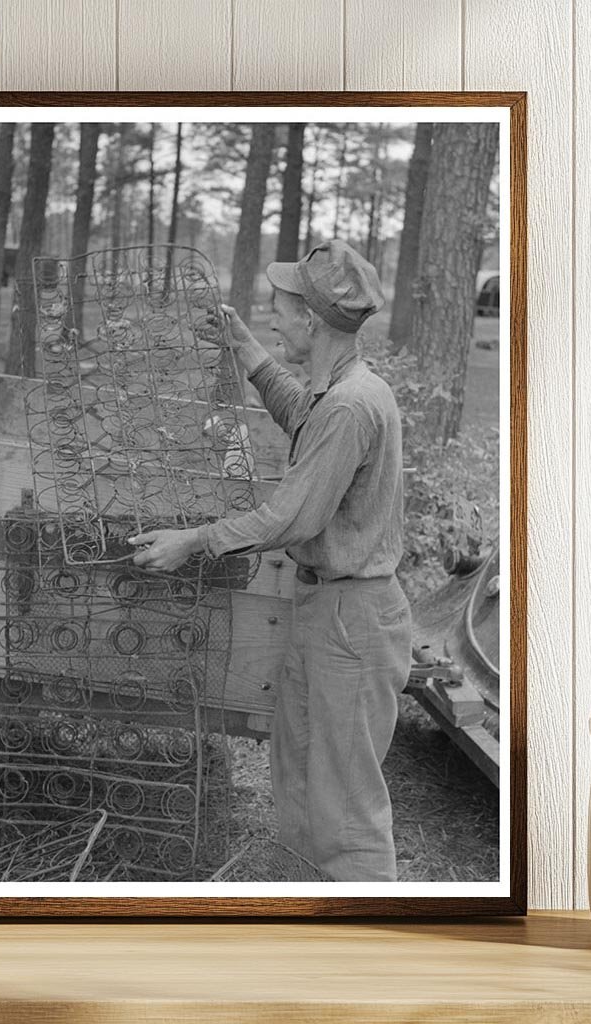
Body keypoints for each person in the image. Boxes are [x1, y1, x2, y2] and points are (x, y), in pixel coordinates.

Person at [128, 239, 412, 881]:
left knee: (347, 814)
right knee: (304, 783)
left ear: (312, 320)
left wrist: (194, 539)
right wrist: (250, 352)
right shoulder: (339, 391)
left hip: (354, 621)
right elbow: (301, 419)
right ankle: (320, 931)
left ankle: (368, 950)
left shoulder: (349, 405)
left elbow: (293, 517)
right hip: (329, 611)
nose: (273, 317)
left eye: (280, 309)